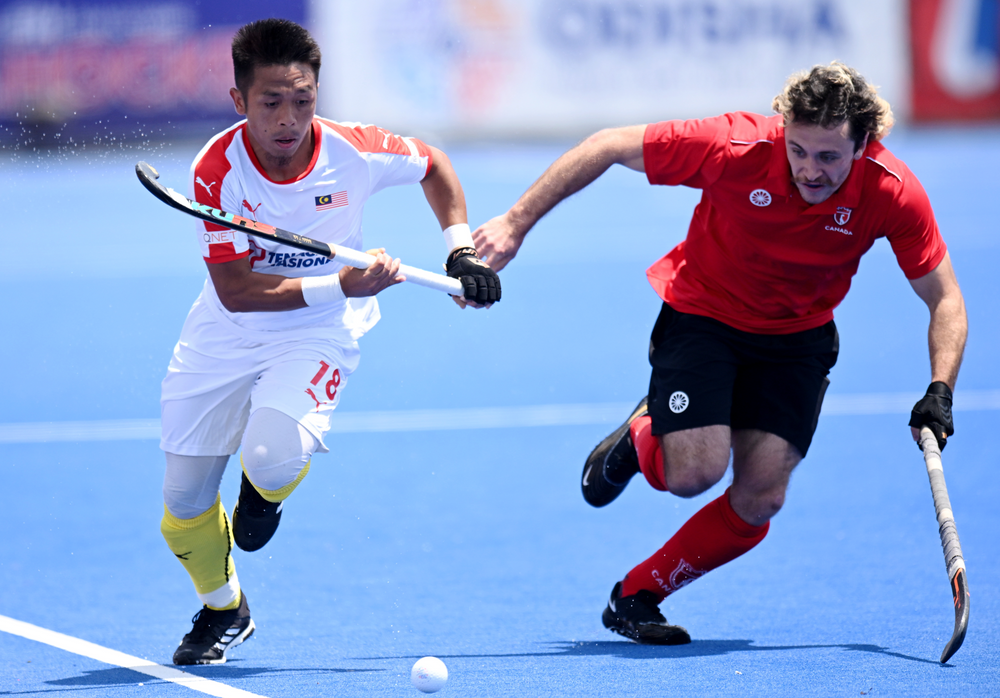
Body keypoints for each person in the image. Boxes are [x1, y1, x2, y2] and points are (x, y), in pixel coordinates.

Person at [473, 62, 966, 644]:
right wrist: (515, 223)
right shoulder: (735, 146)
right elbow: (608, 145)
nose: (810, 169)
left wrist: (940, 390)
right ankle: (643, 433)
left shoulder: (892, 190)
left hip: (798, 337)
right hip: (704, 315)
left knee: (762, 497)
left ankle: (635, 596)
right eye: (799, 150)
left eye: (829, 157)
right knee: (693, 475)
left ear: (864, 145)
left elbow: (945, 298)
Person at [159, 18, 500, 665]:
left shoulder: (354, 149)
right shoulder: (217, 171)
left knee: (271, 458)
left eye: (303, 99)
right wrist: (341, 283)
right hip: (226, 332)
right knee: (182, 505)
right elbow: (236, 290)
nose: (289, 119)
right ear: (239, 101)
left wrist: (461, 253)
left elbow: (435, 164)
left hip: (318, 333)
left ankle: (261, 495)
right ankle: (224, 608)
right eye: (271, 103)